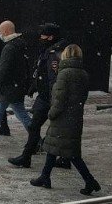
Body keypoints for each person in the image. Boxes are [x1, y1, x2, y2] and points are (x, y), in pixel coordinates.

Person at [29, 44, 101, 195]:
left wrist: (52, 113)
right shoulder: (82, 74)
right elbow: (82, 97)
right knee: (54, 148)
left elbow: (59, 98)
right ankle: (45, 176)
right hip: (74, 118)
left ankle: (90, 180)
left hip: (62, 118)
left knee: (69, 153)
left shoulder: (64, 74)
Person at [9, 23, 69, 169]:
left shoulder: (56, 54)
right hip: (44, 96)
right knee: (35, 126)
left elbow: (53, 79)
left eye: (42, 35)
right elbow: (41, 71)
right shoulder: (48, 50)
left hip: (50, 98)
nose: (40, 38)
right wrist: (34, 86)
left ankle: (64, 159)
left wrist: (52, 99)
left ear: (50, 37)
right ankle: (26, 156)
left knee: (58, 130)